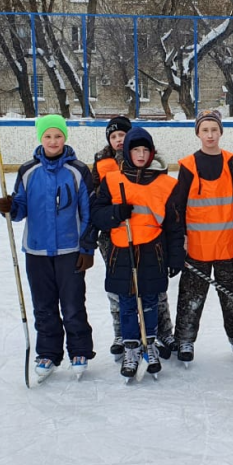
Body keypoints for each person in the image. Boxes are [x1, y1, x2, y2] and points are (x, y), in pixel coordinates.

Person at [0, 114, 96, 381]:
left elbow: (88, 212)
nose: (53, 141)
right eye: (48, 136)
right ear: (40, 138)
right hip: (37, 251)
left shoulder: (78, 170)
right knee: (44, 305)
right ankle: (48, 353)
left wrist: (87, 248)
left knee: (73, 304)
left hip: (70, 251)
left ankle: (80, 350)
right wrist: (9, 207)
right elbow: (20, 211)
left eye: (58, 136)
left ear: (65, 137)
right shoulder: (28, 171)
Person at [90, 127, 185, 380]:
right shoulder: (112, 181)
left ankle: (150, 343)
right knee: (128, 303)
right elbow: (96, 215)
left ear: (151, 152)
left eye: (145, 150)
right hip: (122, 251)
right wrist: (114, 214)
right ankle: (131, 347)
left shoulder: (166, 184)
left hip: (153, 250)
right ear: (128, 152)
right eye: (136, 150)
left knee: (151, 300)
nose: (141, 155)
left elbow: (175, 225)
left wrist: (176, 256)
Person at [172, 110, 233, 364]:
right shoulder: (187, 166)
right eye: (205, 130)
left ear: (220, 132)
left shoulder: (232, 162)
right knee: (191, 296)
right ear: (197, 133)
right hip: (196, 247)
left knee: (232, 295)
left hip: (227, 243)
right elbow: (179, 206)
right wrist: (179, 238)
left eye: (214, 130)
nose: (210, 135)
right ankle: (184, 339)